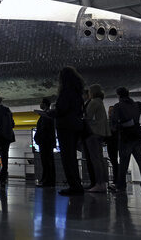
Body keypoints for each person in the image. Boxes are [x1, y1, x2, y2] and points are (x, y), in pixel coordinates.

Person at [111, 87, 141, 195]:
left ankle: (121, 187)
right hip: (138, 137)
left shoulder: (118, 106)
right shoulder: (138, 104)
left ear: (118, 95)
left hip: (126, 138)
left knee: (123, 164)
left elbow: (114, 122)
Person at [49, 66, 84, 196]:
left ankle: (74, 186)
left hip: (65, 127)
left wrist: (51, 113)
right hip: (75, 125)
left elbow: (62, 109)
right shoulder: (77, 92)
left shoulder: (66, 92)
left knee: (67, 157)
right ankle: (76, 184)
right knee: (72, 157)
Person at [84, 84, 110, 193]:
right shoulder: (100, 102)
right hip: (100, 134)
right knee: (99, 159)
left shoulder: (94, 102)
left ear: (92, 92)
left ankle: (99, 183)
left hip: (93, 133)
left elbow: (87, 116)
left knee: (95, 160)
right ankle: (102, 184)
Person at [34, 98, 56, 187]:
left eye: (41, 103)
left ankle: (48, 180)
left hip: (46, 141)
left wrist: (38, 138)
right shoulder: (47, 114)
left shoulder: (47, 115)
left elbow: (44, 129)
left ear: (45, 104)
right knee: (46, 161)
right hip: (46, 141)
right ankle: (46, 179)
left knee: (47, 161)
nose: (40, 105)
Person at [81, 89, 96, 189]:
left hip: (90, 134)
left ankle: (95, 182)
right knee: (90, 160)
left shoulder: (91, 104)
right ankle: (93, 182)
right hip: (87, 134)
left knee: (92, 160)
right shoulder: (86, 104)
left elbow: (89, 118)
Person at [106, 106, 119, 189]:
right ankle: (118, 180)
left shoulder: (110, 122)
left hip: (112, 143)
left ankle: (116, 181)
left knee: (114, 162)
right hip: (115, 142)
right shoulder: (117, 122)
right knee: (115, 162)